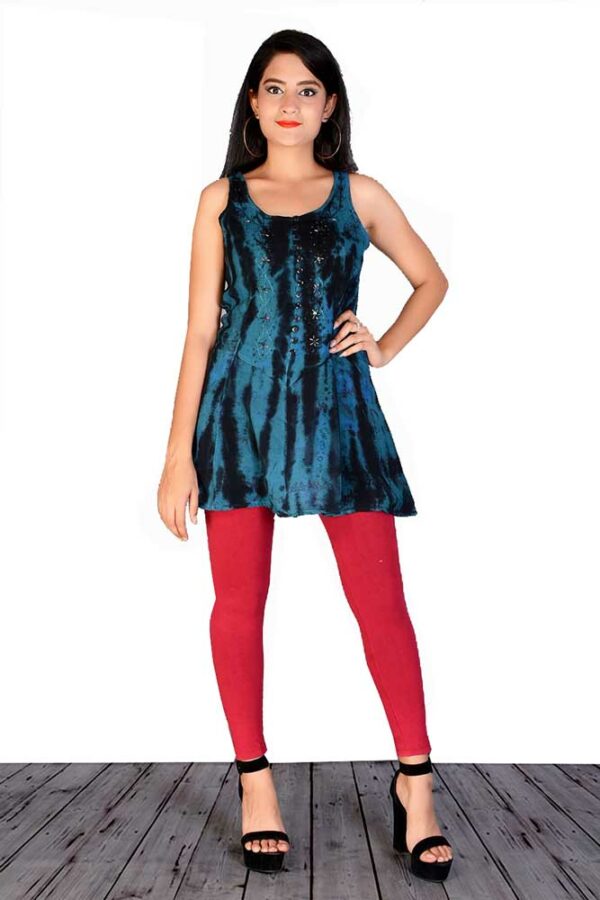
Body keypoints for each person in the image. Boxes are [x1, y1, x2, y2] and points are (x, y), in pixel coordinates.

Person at [157, 28, 453, 883]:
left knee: (381, 603)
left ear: (331, 106)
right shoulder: (221, 200)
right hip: (238, 420)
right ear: (253, 103)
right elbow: (201, 330)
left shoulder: (360, 194)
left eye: (308, 90)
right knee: (239, 603)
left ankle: (417, 785)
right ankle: (255, 781)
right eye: (276, 88)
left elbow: (431, 279)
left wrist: (383, 344)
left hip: (338, 416)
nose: (291, 104)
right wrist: (177, 455)